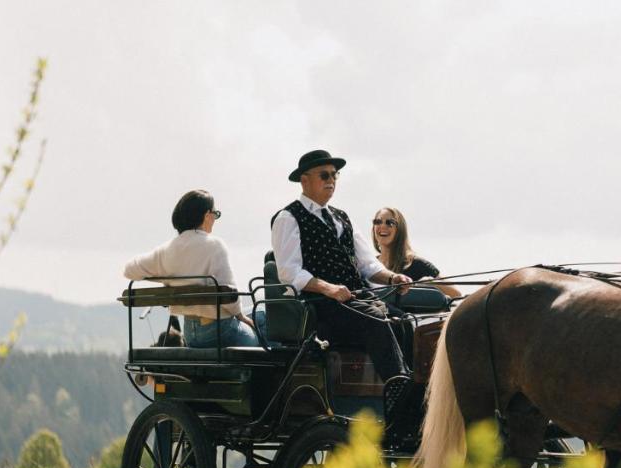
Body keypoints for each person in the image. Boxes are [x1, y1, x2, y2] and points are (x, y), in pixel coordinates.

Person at [269, 150, 413, 382]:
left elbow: (367, 264)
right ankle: (398, 392)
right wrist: (330, 289)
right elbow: (289, 272)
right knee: (377, 320)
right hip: (322, 309)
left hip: (357, 301)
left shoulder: (341, 217)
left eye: (335, 176)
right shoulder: (288, 218)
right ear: (304, 180)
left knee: (404, 322)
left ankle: (412, 389)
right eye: (324, 176)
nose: (331, 181)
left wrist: (392, 278)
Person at [123, 190, 259, 348]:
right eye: (215, 214)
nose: (215, 219)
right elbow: (230, 297)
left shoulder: (165, 251)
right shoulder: (215, 246)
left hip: (190, 334)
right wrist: (240, 316)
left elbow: (129, 270)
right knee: (263, 329)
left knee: (259, 316)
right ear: (207, 215)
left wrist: (165, 275)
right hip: (221, 333)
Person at [372, 207, 460, 299]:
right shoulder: (369, 266)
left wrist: (428, 282)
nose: (382, 226)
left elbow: (456, 293)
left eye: (389, 223)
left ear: (400, 230)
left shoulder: (416, 264)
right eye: (377, 222)